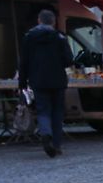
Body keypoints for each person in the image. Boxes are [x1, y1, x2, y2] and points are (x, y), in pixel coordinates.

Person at [18, 9, 74, 158]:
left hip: (38, 80)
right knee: (57, 112)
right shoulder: (60, 37)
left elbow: (23, 62)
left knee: (43, 110)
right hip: (58, 80)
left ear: (39, 20)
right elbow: (69, 60)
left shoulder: (29, 37)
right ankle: (56, 144)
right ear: (54, 22)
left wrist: (22, 82)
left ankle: (45, 134)